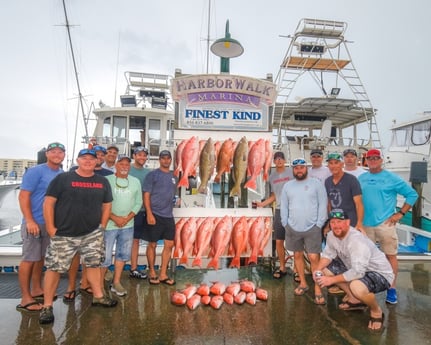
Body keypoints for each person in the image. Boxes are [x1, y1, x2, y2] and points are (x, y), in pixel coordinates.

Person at [39, 148, 117, 325]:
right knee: (54, 269)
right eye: (84, 158)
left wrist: (102, 226)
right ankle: (47, 306)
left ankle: (98, 296)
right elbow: (48, 203)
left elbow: (107, 205)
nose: (88, 161)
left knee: (94, 265)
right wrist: (51, 228)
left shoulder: (102, 182)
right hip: (64, 234)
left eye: (92, 158)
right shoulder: (63, 179)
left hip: (92, 234)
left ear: (97, 161)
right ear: (78, 160)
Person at [314, 209, 394, 333]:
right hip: (354, 267)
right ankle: (355, 300)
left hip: (379, 273)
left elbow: (358, 273)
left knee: (356, 286)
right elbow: (328, 255)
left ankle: (376, 310)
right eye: (333, 222)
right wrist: (317, 270)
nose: (336, 225)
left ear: (348, 222)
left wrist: (331, 280)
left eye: (339, 222)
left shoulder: (356, 240)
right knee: (325, 270)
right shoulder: (331, 235)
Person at [358, 148, 418, 305]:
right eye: (369, 158)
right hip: (365, 225)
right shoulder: (362, 178)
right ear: (366, 160)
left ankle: (391, 288)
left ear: (381, 160)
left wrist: (400, 214)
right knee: (366, 258)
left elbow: (412, 194)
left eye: (375, 158)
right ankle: (366, 287)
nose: (372, 160)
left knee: (390, 256)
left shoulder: (391, 178)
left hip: (386, 224)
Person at [16, 142, 65, 312]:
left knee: (41, 258)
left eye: (60, 152)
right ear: (47, 154)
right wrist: (29, 220)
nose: (57, 154)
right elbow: (23, 196)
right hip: (34, 222)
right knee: (29, 259)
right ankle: (25, 298)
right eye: (53, 151)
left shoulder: (61, 173)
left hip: (50, 223)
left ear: (64, 155)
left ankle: (36, 288)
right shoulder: (35, 171)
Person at [64, 144, 113, 299]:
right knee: (75, 256)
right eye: (96, 154)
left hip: (95, 221)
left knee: (91, 257)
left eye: (100, 155)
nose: (98, 157)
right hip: (75, 221)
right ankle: (71, 286)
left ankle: (86, 284)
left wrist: (103, 224)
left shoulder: (108, 174)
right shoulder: (72, 173)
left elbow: (108, 202)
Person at [280, 157, 328, 304]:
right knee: (297, 256)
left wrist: (319, 224)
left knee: (314, 258)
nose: (299, 170)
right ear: (293, 170)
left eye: (301, 167)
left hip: (312, 227)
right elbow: (284, 206)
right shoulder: (288, 186)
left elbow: (323, 204)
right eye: (296, 168)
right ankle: (303, 283)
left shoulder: (316, 184)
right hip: (293, 228)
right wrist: (285, 223)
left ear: (306, 168)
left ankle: (318, 289)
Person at [101, 154, 142, 296]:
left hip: (128, 225)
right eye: (121, 164)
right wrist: (114, 218)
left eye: (127, 164)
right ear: (116, 165)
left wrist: (127, 218)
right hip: (109, 225)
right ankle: (100, 287)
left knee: (122, 255)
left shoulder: (136, 181)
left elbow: (138, 203)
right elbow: (101, 202)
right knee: (104, 257)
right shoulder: (107, 180)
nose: (124, 167)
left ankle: (116, 282)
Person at [256, 151, 294, 279]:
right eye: (276, 159)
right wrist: (262, 204)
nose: (279, 161)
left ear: (284, 160)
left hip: (294, 210)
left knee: (297, 241)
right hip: (279, 210)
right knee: (279, 241)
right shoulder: (272, 176)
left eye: (281, 158)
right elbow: (274, 196)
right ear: (274, 161)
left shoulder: (292, 172)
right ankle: (282, 267)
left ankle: (299, 271)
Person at [143, 150, 177, 286]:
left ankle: (163, 274)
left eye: (168, 158)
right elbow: (146, 195)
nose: (166, 161)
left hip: (168, 216)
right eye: (163, 158)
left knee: (169, 244)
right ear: (159, 160)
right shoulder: (152, 175)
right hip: (155, 214)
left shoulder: (174, 177)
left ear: (170, 160)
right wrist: (149, 213)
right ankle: (152, 271)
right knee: (152, 244)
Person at [324, 152, 364, 232]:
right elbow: (329, 204)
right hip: (335, 223)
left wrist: (359, 224)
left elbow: (359, 204)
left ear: (342, 164)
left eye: (336, 163)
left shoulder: (352, 180)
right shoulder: (327, 181)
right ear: (328, 166)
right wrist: (329, 223)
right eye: (331, 163)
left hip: (350, 222)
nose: (333, 166)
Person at [129, 146, 151, 279]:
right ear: (134, 156)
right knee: (125, 240)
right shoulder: (128, 169)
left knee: (135, 240)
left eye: (144, 155)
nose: (142, 157)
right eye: (139, 155)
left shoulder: (148, 172)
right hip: (129, 211)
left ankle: (133, 268)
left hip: (143, 211)